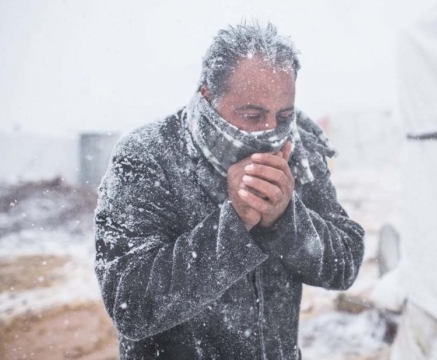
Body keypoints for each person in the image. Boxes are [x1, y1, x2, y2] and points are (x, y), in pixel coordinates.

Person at [94, 22, 365, 359]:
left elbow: (345, 263)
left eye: (283, 115)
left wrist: (285, 220)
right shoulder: (148, 155)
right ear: (209, 95)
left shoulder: (300, 149)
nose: (269, 131)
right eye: (252, 115)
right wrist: (235, 223)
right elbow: (130, 305)